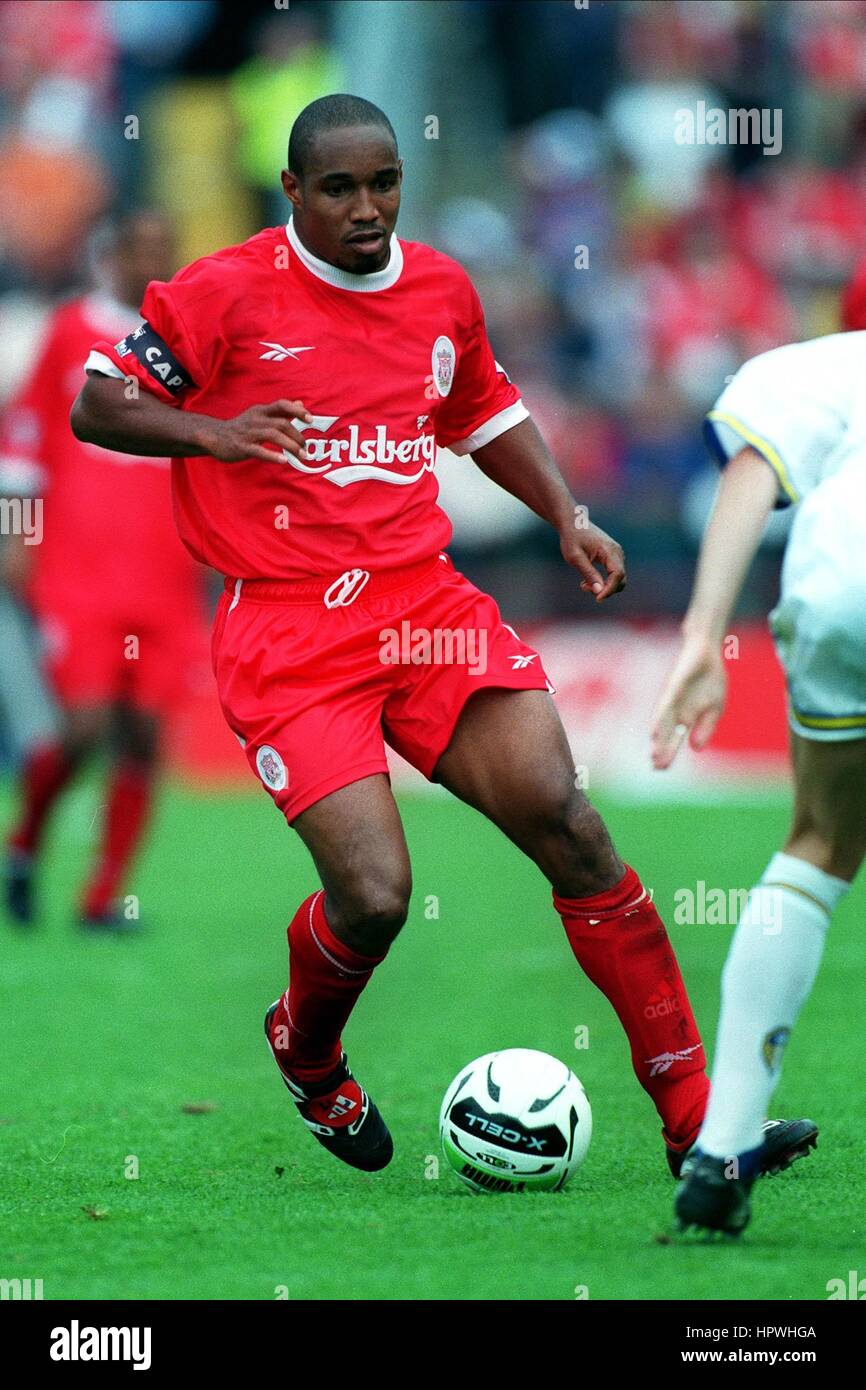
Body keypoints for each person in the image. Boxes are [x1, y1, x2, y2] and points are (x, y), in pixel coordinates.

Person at [71, 94, 809, 1179]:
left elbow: (484, 413)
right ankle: (308, 1051)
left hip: (423, 606)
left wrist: (565, 513)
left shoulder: (437, 287)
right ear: (293, 193)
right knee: (373, 895)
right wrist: (214, 432)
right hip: (287, 628)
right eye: (338, 189)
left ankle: (697, 1123)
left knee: (571, 824)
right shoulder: (222, 292)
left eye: (382, 184)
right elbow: (100, 402)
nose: (365, 209)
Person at [651, 329, 866, 1233]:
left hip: (838, 585)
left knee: (820, 842)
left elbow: (754, 464)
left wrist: (704, 632)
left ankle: (723, 1146)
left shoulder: (837, 361)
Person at [2, 212, 206, 932]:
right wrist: (15, 539)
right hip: (76, 571)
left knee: (146, 736)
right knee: (82, 728)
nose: (153, 264)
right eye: (141, 250)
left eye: (165, 250)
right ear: (111, 255)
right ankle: (24, 845)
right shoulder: (70, 330)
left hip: (163, 575)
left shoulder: (191, 342)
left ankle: (102, 898)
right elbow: (22, 441)